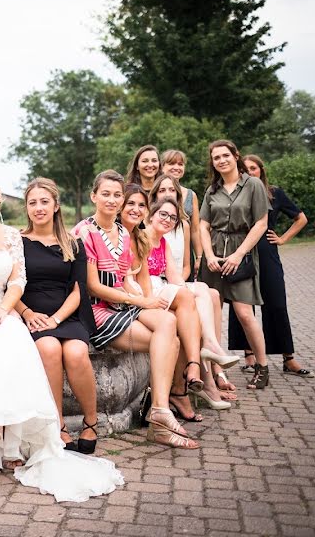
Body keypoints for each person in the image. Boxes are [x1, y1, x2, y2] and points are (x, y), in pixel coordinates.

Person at [0, 174, 123, 502]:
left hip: (22, 311)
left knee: (29, 345)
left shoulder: (19, 237)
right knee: (22, 347)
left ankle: (77, 425)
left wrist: (5, 310)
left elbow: (17, 281)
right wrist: (12, 311)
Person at [74, 172, 197, 449]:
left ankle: (160, 410)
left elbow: (125, 279)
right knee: (170, 339)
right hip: (96, 311)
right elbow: (94, 287)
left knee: (168, 323)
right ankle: (160, 414)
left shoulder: (122, 234)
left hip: (120, 305)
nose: (112, 199)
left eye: (117, 195)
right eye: (105, 194)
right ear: (94, 196)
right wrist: (141, 301)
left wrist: (139, 297)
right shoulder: (85, 231)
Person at [14, 178, 100, 454]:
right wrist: (27, 313)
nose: (38, 208)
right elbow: (8, 286)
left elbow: (78, 290)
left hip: (67, 315)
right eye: (32, 203)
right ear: (26, 208)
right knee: (48, 348)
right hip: (32, 315)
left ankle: (91, 421)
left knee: (75, 353)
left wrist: (57, 319)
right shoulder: (16, 242)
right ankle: (58, 425)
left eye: (44, 202)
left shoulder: (73, 243)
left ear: (56, 206)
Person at [116, 185, 205, 423]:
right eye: (130, 204)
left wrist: (150, 300)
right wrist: (144, 301)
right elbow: (120, 280)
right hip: (120, 300)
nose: (135, 210)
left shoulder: (138, 237)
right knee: (176, 322)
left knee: (190, 313)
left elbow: (145, 277)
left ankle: (169, 397)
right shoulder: (118, 234)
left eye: (140, 205)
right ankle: (167, 398)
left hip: (141, 295)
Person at [149, 175, 239, 403]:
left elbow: (181, 270)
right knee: (200, 294)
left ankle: (212, 356)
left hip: (172, 282)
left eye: (172, 190)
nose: (168, 193)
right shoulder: (145, 230)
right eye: (163, 190)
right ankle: (206, 367)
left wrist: (183, 287)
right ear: (154, 198)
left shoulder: (178, 229)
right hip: (153, 288)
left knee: (208, 292)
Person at [229, 154, 312, 377]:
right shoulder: (236, 194)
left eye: (253, 168)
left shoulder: (274, 193)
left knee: (276, 303)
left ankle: (288, 358)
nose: (249, 172)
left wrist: (283, 238)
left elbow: (301, 218)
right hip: (243, 253)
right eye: (245, 169)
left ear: (261, 170)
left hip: (267, 253)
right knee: (243, 305)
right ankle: (249, 356)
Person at [199, 140, 272, 389]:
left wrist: (239, 254)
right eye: (216, 157)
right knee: (212, 314)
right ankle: (217, 372)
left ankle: (262, 366)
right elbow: (203, 225)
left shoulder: (252, 185)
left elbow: (261, 223)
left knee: (244, 314)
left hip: (240, 252)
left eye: (225, 155)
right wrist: (208, 255)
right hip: (215, 256)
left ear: (235, 156)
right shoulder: (212, 190)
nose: (221, 160)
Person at [160, 150, 203, 280]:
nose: (176, 168)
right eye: (171, 164)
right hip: (161, 251)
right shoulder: (158, 192)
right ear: (162, 167)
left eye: (180, 164)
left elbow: (195, 230)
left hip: (184, 254)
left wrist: (199, 257)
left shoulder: (191, 195)